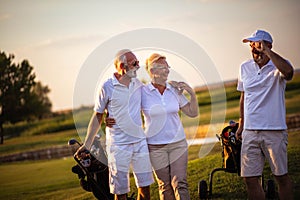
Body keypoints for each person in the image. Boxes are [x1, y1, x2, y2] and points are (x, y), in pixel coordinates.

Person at [76, 49, 154, 200]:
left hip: (139, 142)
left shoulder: (138, 84)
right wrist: (87, 144)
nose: (138, 66)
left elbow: (155, 95)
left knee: (145, 187)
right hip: (118, 146)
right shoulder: (107, 87)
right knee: (120, 191)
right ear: (122, 66)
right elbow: (97, 115)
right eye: (135, 63)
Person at [236, 30, 294, 200]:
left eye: (258, 45)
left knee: (281, 176)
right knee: (249, 178)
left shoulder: (279, 66)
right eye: (252, 46)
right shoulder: (244, 67)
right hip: (250, 131)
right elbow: (243, 96)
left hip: (274, 131)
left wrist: (267, 52)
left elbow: (289, 73)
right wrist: (241, 124)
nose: (254, 49)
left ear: (268, 46)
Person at [143, 53, 198, 200]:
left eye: (168, 67)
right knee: (164, 186)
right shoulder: (143, 92)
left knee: (180, 182)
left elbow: (192, 113)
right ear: (152, 70)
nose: (167, 71)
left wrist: (191, 93)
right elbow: (129, 111)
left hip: (178, 144)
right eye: (163, 67)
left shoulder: (174, 90)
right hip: (155, 147)